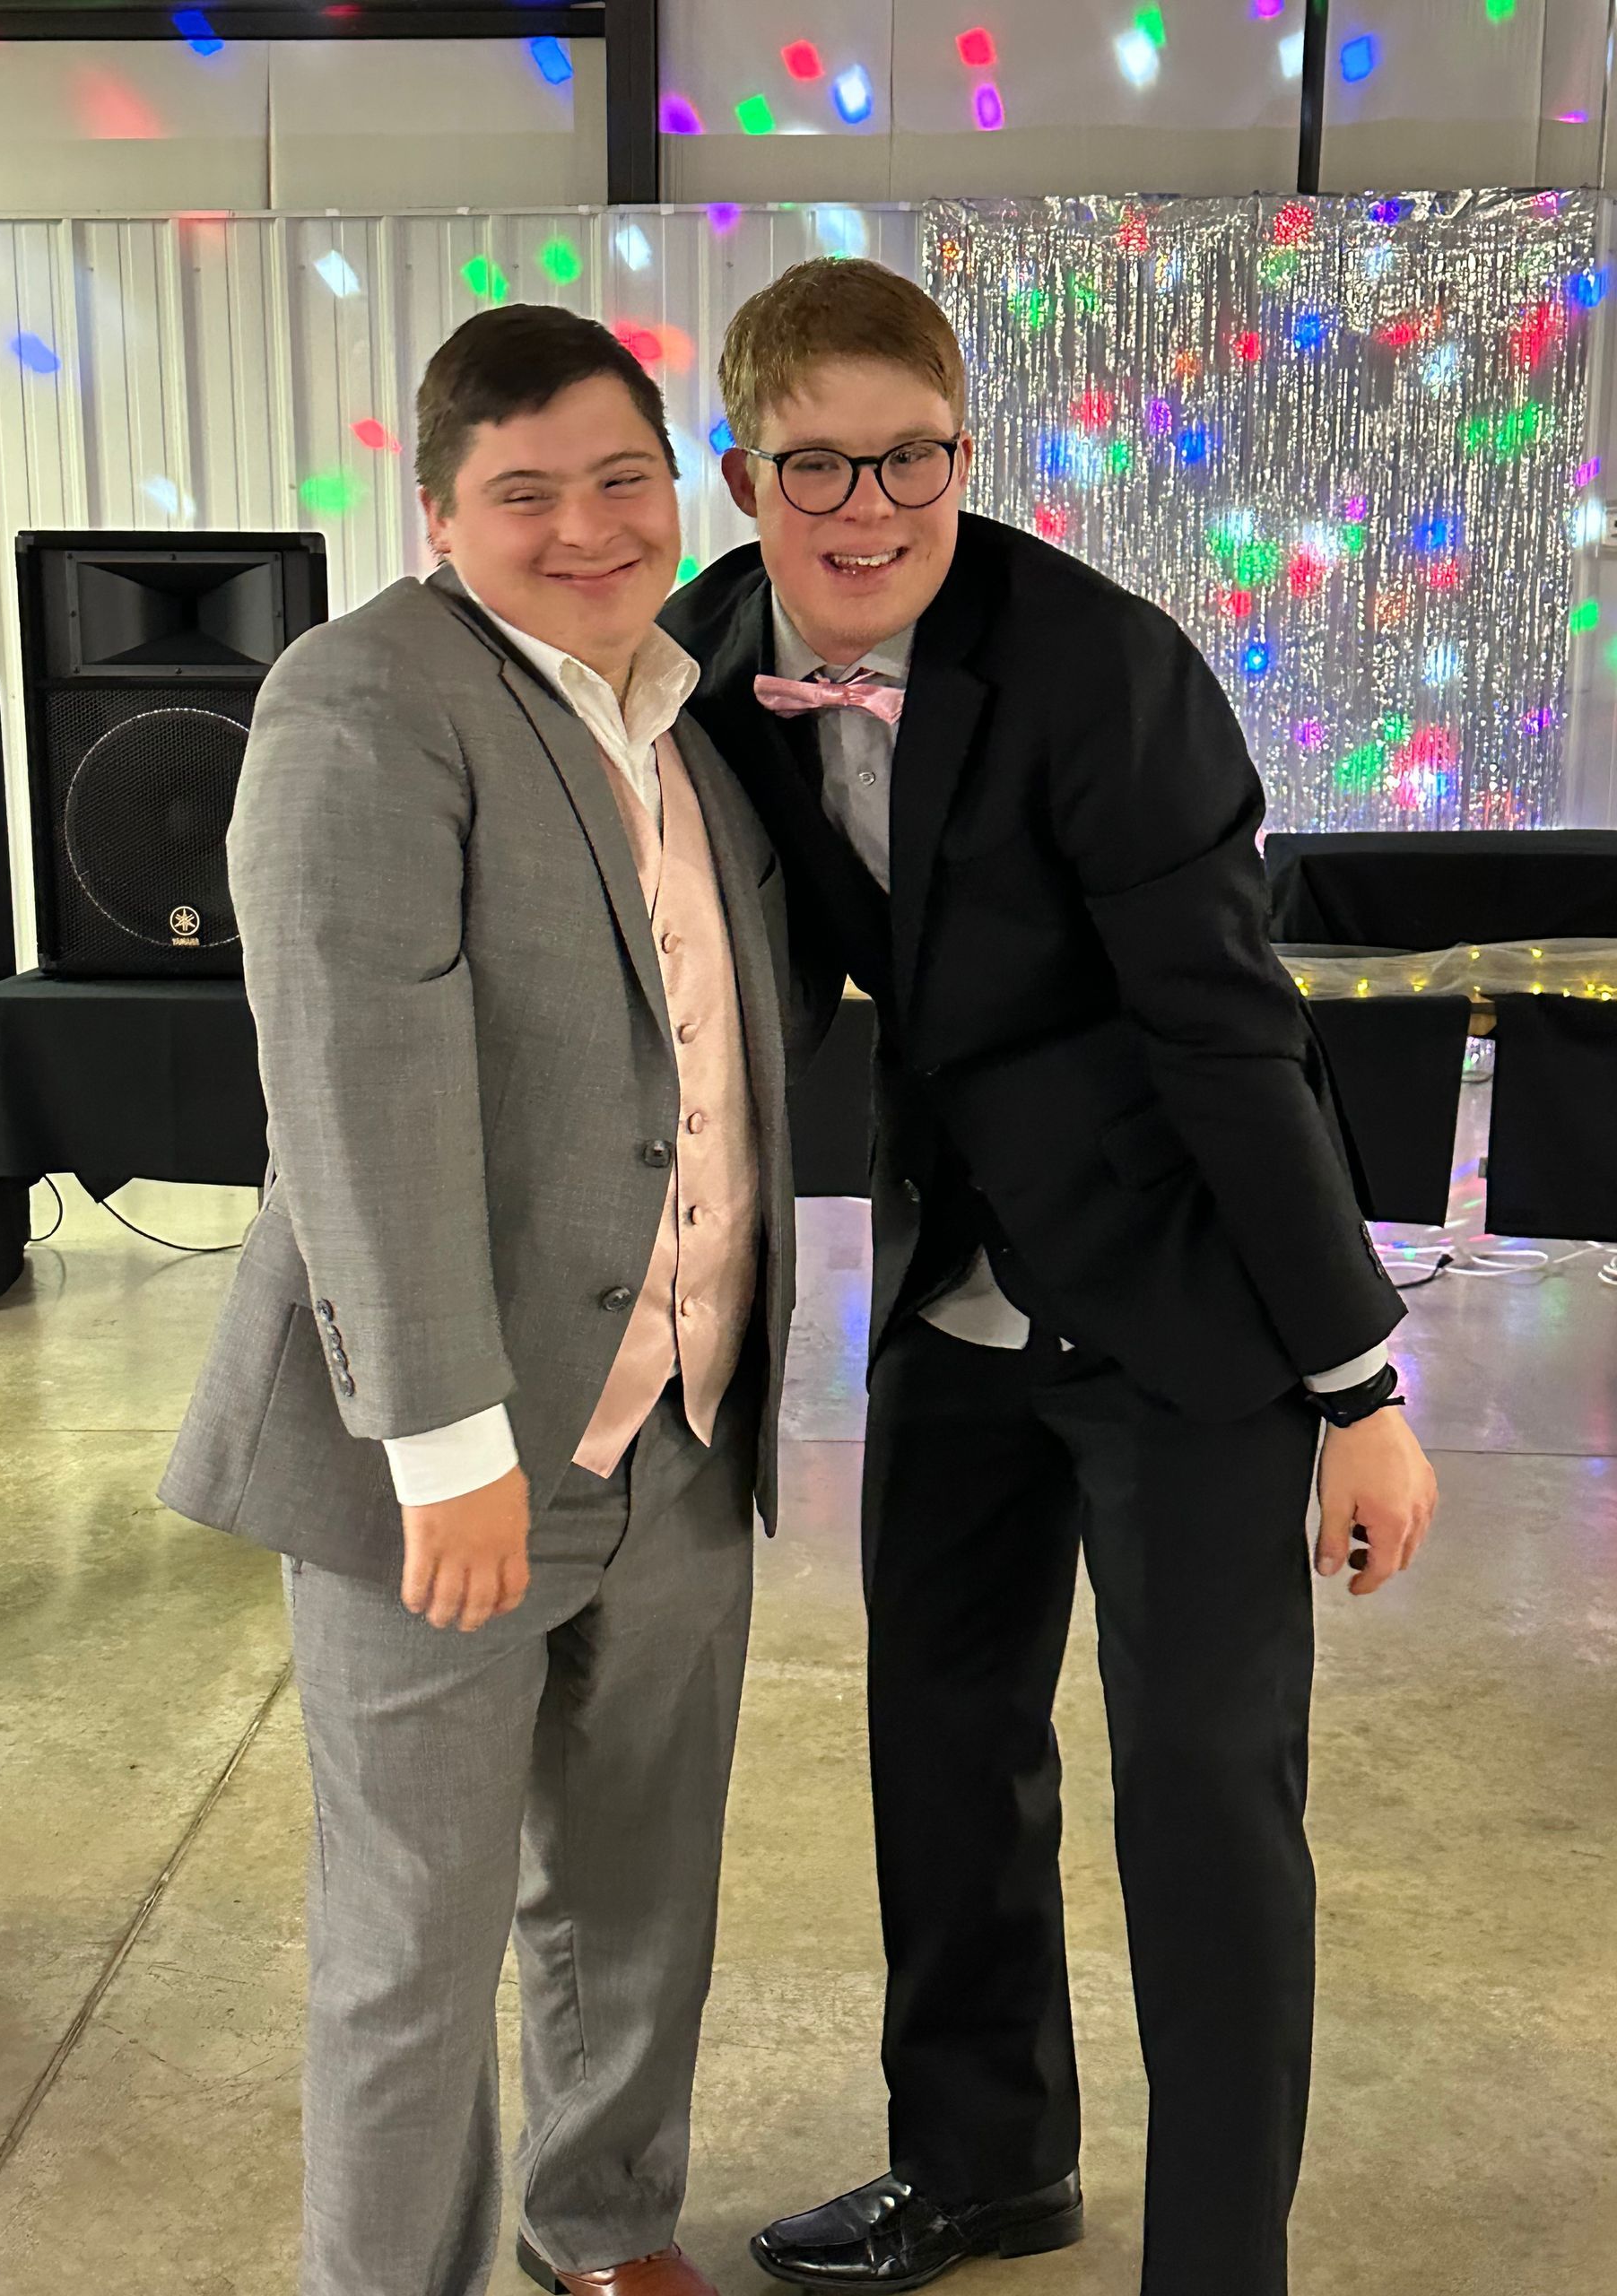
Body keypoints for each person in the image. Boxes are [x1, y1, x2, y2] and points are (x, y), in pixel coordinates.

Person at [662, 258, 1439, 2296]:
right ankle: (986, 2166)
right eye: (814, 460)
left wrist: (1360, 1390)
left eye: (910, 454)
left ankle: (1215, 2262)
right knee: (939, 1740)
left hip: (1183, 1301)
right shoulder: (697, 659)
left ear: (962, 452)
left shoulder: (1102, 668)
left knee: (1199, 1796)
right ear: (741, 471)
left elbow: (1230, 1036)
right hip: (952, 1284)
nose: (868, 506)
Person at [160, 303, 798, 2296]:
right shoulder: (363, 701)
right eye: (527, 492)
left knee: (636, 1885)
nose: (589, 527)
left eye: (623, 479)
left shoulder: (685, 715)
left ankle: (603, 2228)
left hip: (680, 1422)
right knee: (412, 1938)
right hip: (447, 1455)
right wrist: (445, 1448)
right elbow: (359, 1093)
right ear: (439, 511)